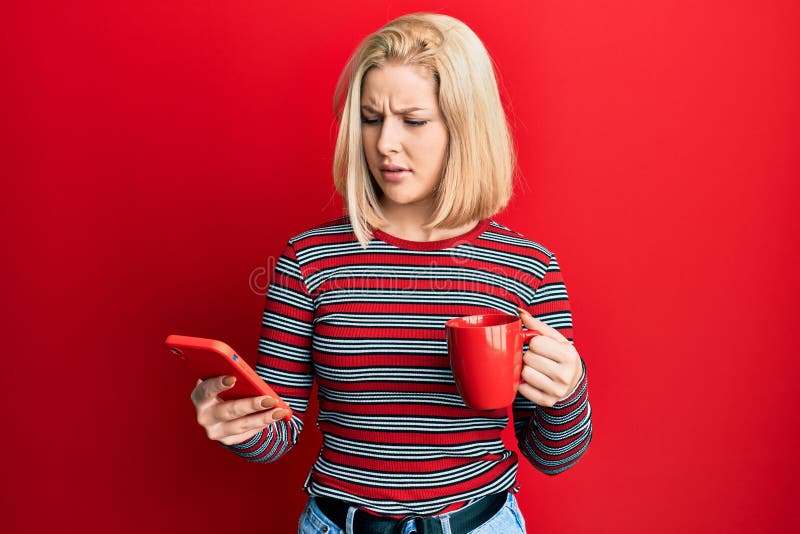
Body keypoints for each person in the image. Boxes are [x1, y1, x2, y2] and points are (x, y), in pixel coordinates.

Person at [191, 12, 592, 534]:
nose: (384, 144)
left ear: (464, 127)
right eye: (371, 118)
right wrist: (234, 423)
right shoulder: (308, 261)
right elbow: (277, 434)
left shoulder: (528, 270)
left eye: (414, 120)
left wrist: (569, 391)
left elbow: (552, 455)